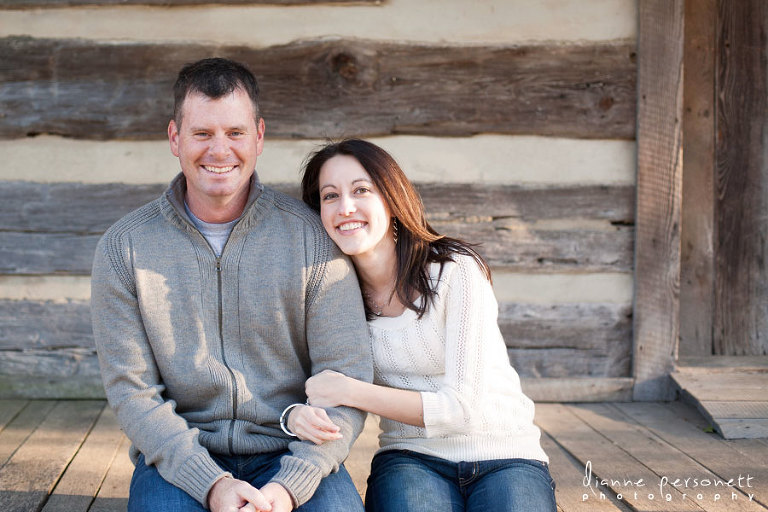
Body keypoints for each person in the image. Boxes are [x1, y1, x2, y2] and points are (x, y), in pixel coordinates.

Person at [90, 59, 372, 512]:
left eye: (235, 133)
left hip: (292, 451)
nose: (219, 150)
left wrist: (290, 486)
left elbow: (347, 375)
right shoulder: (124, 249)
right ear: (174, 138)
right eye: (202, 133)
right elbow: (132, 391)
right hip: (180, 458)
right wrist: (212, 485)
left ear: (259, 137)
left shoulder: (312, 239)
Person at [287, 138, 557, 511]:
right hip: (410, 458)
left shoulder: (455, 271)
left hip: (505, 453)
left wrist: (349, 391)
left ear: (392, 198)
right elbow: (302, 385)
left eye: (361, 190)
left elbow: (461, 409)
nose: (345, 207)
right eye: (329, 196)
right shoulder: (329, 292)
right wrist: (295, 414)